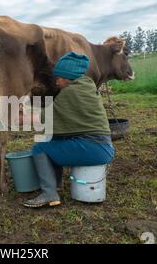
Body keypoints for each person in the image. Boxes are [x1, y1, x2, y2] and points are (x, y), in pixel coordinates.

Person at [23, 52, 114, 208]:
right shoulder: (86, 86)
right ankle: (55, 184)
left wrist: (15, 117)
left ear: (67, 77)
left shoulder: (70, 92)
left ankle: (49, 194)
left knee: (39, 148)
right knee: (55, 139)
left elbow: (43, 119)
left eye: (59, 78)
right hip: (102, 146)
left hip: (94, 149)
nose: (57, 82)